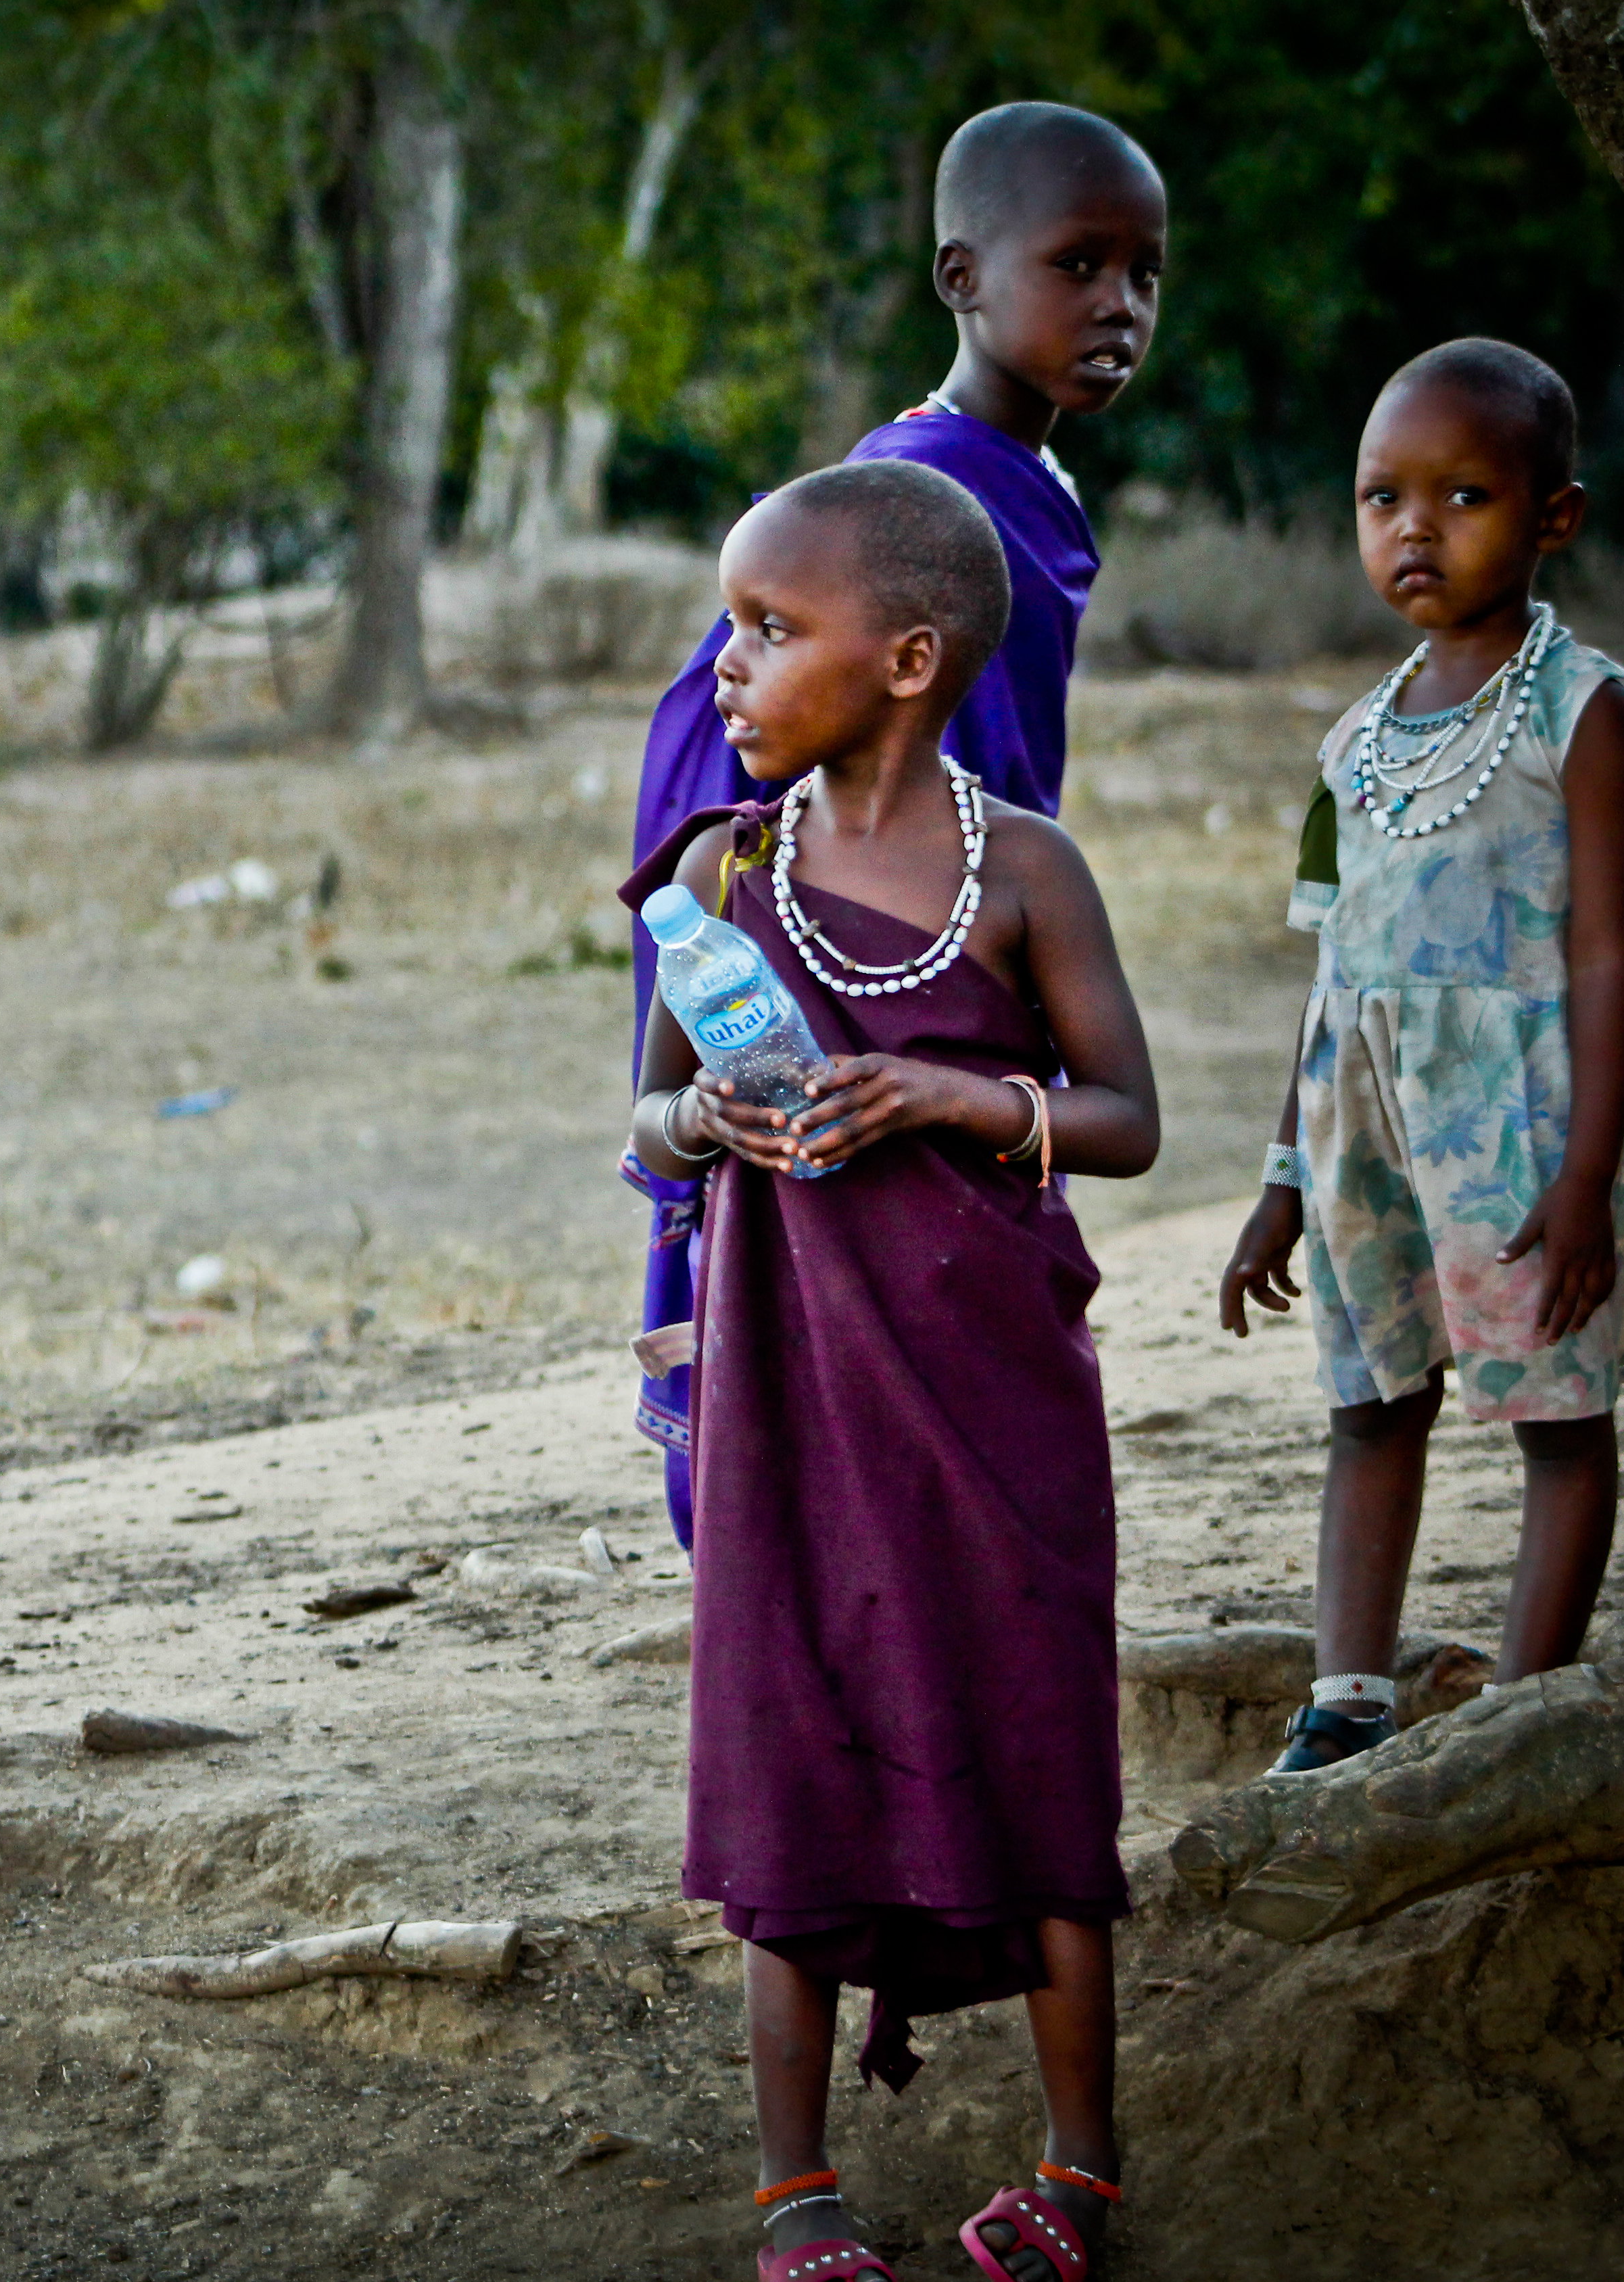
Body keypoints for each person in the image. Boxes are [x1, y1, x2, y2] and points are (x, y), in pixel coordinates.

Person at [626, 460, 1160, 2282]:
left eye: (771, 632)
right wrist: (703, 1112)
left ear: (910, 658)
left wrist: (945, 1095)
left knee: (1031, 1731)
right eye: (731, 625)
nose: (729, 664)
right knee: (795, 1730)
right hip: (797, 1404)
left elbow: (1129, 1119)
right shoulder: (725, 871)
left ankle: (1080, 2164)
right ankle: (796, 2186)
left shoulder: (1026, 876)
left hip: (993, 1398)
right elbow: (647, 1109)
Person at [625, 100, 1164, 1547]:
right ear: (963, 279)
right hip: (821, 907)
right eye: (1077, 264)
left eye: (1143, 272)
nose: (1119, 303)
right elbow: (801, 735)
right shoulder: (913, 496)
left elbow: (992, 799)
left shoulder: (1021, 483)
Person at [1221, 339, 1624, 1776]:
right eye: (1382, 497)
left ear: (1554, 518)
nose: (1415, 527)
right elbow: (1330, 968)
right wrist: (1282, 1181)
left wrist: (1584, 1179)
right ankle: (1348, 1700)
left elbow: (1604, 956)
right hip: (1367, 1133)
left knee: (1559, 1416)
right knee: (1372, 1400)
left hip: (1523, 1130)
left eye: (1462, 496)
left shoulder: (1587, 711)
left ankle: (1519, 1726)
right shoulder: (1352, 745)